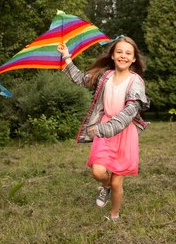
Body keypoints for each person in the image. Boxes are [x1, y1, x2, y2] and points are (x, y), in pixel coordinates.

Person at [57, 36, 149, 222]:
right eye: (119, 52)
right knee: (98, 172)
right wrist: (67, 56)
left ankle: (114, 215)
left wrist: (104, 129)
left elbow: (130, 110)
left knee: (117, 182)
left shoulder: (135, 81)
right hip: (104, 130)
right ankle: (104, 186)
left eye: (128, 53)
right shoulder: (105, 76)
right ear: (113, 56)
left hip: (124, 133)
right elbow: (82, 79)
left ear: (133, 59)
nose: (123, 56)